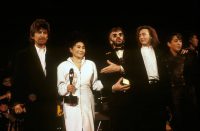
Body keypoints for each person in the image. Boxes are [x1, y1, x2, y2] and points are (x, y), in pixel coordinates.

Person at [12, 18, 60, 131]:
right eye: (39, 32)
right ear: (32, 35)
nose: (42, 35)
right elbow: (17, 79)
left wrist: (59, 102)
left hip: (50, 104)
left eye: (45, 32)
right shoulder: (22, 55)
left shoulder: (55, 55)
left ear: (48, 36)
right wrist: (17, 102)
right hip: (31, 104)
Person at [124, 25, 171, 131]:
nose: (141, 37)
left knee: (159, 121)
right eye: (139, 35)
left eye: (144, 34)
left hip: (158, 89)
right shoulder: (134, 54)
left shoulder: (160, 52)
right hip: (143, 91)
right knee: (145, 122)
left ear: (151, 36)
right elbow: (130, 73)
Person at [57, 32, 103, 131]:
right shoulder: (62, 66)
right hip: (71, 102)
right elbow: (60, 88)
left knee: (88, 127)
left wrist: (107, 84)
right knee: (73, 127)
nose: (81, 50)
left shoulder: (91, 64)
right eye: (78, 47)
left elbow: (95, 84)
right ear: (71, 49)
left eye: (83, 47)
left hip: (87, 100)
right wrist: (66, 88)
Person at [99, 26, 132, 131]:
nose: (118, 37)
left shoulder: (134, 53)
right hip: (115, 100)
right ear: (110, 40)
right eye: (114, 35)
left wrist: (120, 68)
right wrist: (112, 87)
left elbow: (139, 71)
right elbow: (100, 78)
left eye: (120, 34)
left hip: (134, 98)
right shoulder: (103, 56)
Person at [165, 32, 199, 131]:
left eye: (180, 41)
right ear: (169, 44)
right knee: (177, 121)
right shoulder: (163, 59)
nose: (179, 43)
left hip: (188, 94)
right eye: (176, 41)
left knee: (190, 120)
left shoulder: (187, 56)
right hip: (173, 95)